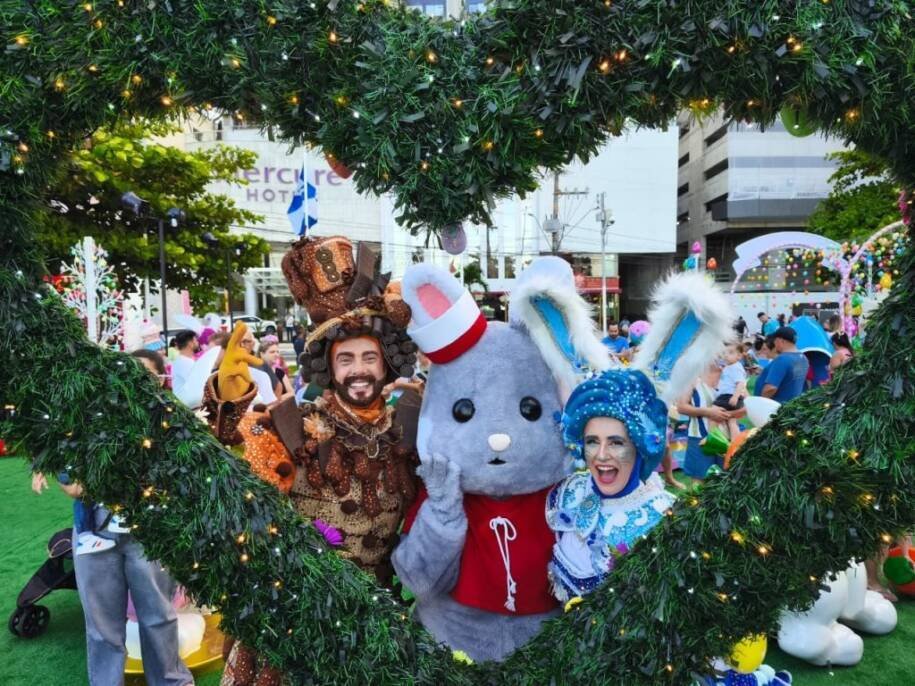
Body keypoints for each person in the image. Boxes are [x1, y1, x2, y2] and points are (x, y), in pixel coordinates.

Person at [31, 351, 193, 686]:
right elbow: (69, 475)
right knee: (103, 628)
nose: (134, 382)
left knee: (159, 617)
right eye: (126, 373)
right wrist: (68, 476)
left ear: (160, 380)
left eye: (145, 375)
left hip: (149, 533)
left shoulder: (168, 423)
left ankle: (172, 682)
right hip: (94, 534)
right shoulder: (88, 420)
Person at [546, 369, 675, 601]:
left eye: (616, 443)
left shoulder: (665, 520)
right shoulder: (570, 492)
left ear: (639, 447)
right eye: (592, 442)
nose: (601, 455)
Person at [677, 363, 731, 481]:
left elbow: (745, 406)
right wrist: (708, 412)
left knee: (726, 481)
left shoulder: (732, 374)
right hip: (700, 438)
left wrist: (731, 414)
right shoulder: (692, 377)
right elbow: (681, 407)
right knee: (699, 483)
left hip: (727, 438)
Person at [760, 327, 809, 402]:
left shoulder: (782, 359)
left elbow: (771, 388)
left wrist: (761, 401)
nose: (774, 344)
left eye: (775, 340)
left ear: (781, 341)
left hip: (779, 407)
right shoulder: (803, 358)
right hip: (793, 405)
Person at [712, 343, 748, 439]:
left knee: (713, 411)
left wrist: (735, 396)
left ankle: (711, 435)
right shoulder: (729, 366)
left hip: (729, 397)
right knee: (732, 420)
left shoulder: (736, 367)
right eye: (725, 353)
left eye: (730, 353)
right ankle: (734, 442)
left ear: (739, 356)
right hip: (729, 396)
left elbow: (740, 383)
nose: (726, 355)